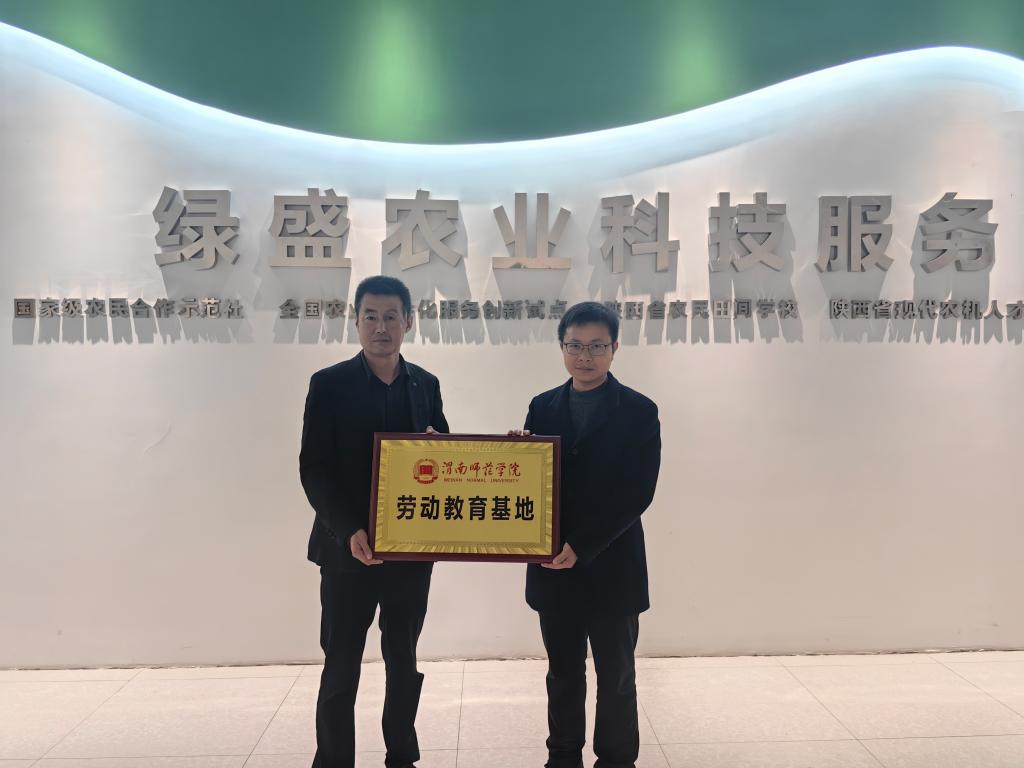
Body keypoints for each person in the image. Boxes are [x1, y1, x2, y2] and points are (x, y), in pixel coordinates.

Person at [299, 275, 448, 768]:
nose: (381, 327)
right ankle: (333, 760)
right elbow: (314, 468)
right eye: (371, 316)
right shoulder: (328, 384)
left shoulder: (426, 384)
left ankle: (401, 755)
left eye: (391, 317)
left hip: (410, 550)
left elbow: (448, 458)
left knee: (403, 660)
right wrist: (349, 531)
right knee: (341, 664)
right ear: (356, 320)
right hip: (347, 550)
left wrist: (439, 447)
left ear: (409, 321)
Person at [521, 301, 661, 768]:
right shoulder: (542, 406)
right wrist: (515, 457)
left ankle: (616, 759)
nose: (585, 357)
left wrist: (582, 546)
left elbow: (637, 492)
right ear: (562, 347)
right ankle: (562, 756)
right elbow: (534, 482)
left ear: (615, 348)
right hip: (552, 567)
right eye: (575, 346)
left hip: (612, 566)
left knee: (616, 675)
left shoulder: (640, 411)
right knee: (562, 673)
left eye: (597, 346)